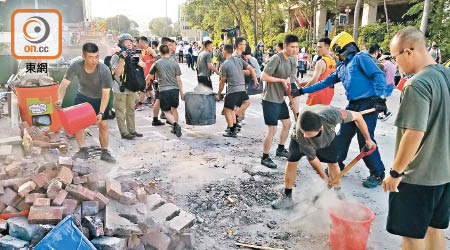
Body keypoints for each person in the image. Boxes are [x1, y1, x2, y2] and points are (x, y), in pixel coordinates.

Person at [383, 26, 450, 250]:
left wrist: (395, 172)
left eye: (395, 58)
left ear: (408, 52)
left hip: (417, 177)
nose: (395, 64)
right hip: (444, 174)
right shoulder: (446, 75)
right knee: (434, 228)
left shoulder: (417, 84)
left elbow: (414, 133)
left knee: (411, 236)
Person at [299, 32, 387, 188]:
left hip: (369, 103)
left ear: (346, 47)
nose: (337, 54)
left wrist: (381, 98)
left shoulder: (361, 58)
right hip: (353, 105)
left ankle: (378, 173)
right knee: (343, 135)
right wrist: (302, 91)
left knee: (365, 138)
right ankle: (337, 162)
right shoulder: (342, 67)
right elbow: (324, 82)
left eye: (338, 51)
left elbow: (378, 74)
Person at [271, 105, 377, 209]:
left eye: (309, 134)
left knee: (333, 163)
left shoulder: (333, 115)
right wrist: (324, 178)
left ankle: (338, 192)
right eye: (305, 133)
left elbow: (358, 116)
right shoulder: (301, 135)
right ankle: (287, 196)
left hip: (327, 138)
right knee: (292, 162)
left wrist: (368, 139)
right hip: (298, 141)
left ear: (321, 128)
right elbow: (313, 160)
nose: (306, 136)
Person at [57, 42, 115, 163]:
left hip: (100, 98)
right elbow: (64, 84)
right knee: (78, 124)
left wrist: (101, 112)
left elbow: (106, 94)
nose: (95, 60)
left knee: (103, 125)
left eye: (97, 57)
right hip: (83, 95)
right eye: (91, 57)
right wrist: (60, 99)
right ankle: (83, 150)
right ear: (83, 57)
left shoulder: (104, 69)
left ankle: (104, 152)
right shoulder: (76, 66)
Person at [260, 35, 301, 169]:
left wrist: (292, 98)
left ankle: (280, 149)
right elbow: (263, 76)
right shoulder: (276, 59)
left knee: (287, 124)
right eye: (292, 47)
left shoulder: (292, 61)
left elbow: (291, 81)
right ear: (285, 46)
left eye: (296, 47)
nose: (295, 50)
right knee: (272, 129)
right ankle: (265, 157)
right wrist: (280, 80)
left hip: (281, 98)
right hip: (270, 99)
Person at [216, 44, 258, 137]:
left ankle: (231, 130)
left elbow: (222, 81)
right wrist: (255, 80)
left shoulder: (224, 64)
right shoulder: (239, 60)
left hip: (233, 90)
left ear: (225, 51)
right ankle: (234, 126)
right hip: (242, 90)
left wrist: (218, 94)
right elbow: (251, 68)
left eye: (223, 50)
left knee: (227, 110)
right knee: (242, 104)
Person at [109, 34, 144, 140]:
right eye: (126, 42)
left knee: (131, 109)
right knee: (120, 112)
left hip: (131, 87)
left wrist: (137, 60)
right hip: (120, 88)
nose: (129, 43)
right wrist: (122, 59)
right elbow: (118, 74)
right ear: (121, 43)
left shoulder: (133, 55)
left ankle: (132, 130)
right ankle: (124, 132)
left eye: (130, 41)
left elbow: (144, 66)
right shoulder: (115, 57)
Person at [148, 44, 184, 137]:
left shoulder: (157, 63)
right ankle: (175, 127)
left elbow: (149, 76)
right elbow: (179, 80)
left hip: (164, 90)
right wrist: (182, 93)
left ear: (160, 52)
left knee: (166, 111)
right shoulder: (175, 63)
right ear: (169, 51)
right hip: (175, 90)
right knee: (174, 109)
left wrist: (144, 84)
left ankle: (176, 125)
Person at [302, 37, 336, 106]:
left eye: (320, 47)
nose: (318, 49)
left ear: (328, 48)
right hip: (329, 93)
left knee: (310, 115)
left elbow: (314, 80)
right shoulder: (333, 61)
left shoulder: (321, 62)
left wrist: (303, 89)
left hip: (317, 94)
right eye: (317, 47)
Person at [135, 36, 157, 111]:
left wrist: (150, 61)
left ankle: (140, 103)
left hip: (150, 73)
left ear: (145, 43)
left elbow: (157, 58)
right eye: (139, 43)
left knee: (144, 88)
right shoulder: (142, 50)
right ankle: (155, 101)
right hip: (145, 73)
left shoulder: (150, 49)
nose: (140, 45)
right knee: (149, 89)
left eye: (141, 43)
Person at [379, 53, 396, 120]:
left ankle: (386, 113)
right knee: (381, 99)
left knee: (380, 100)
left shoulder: (385, 65)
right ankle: (381, 115)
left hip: (385, 85)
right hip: (391, 85)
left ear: (384, 58)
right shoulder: (392, 64)